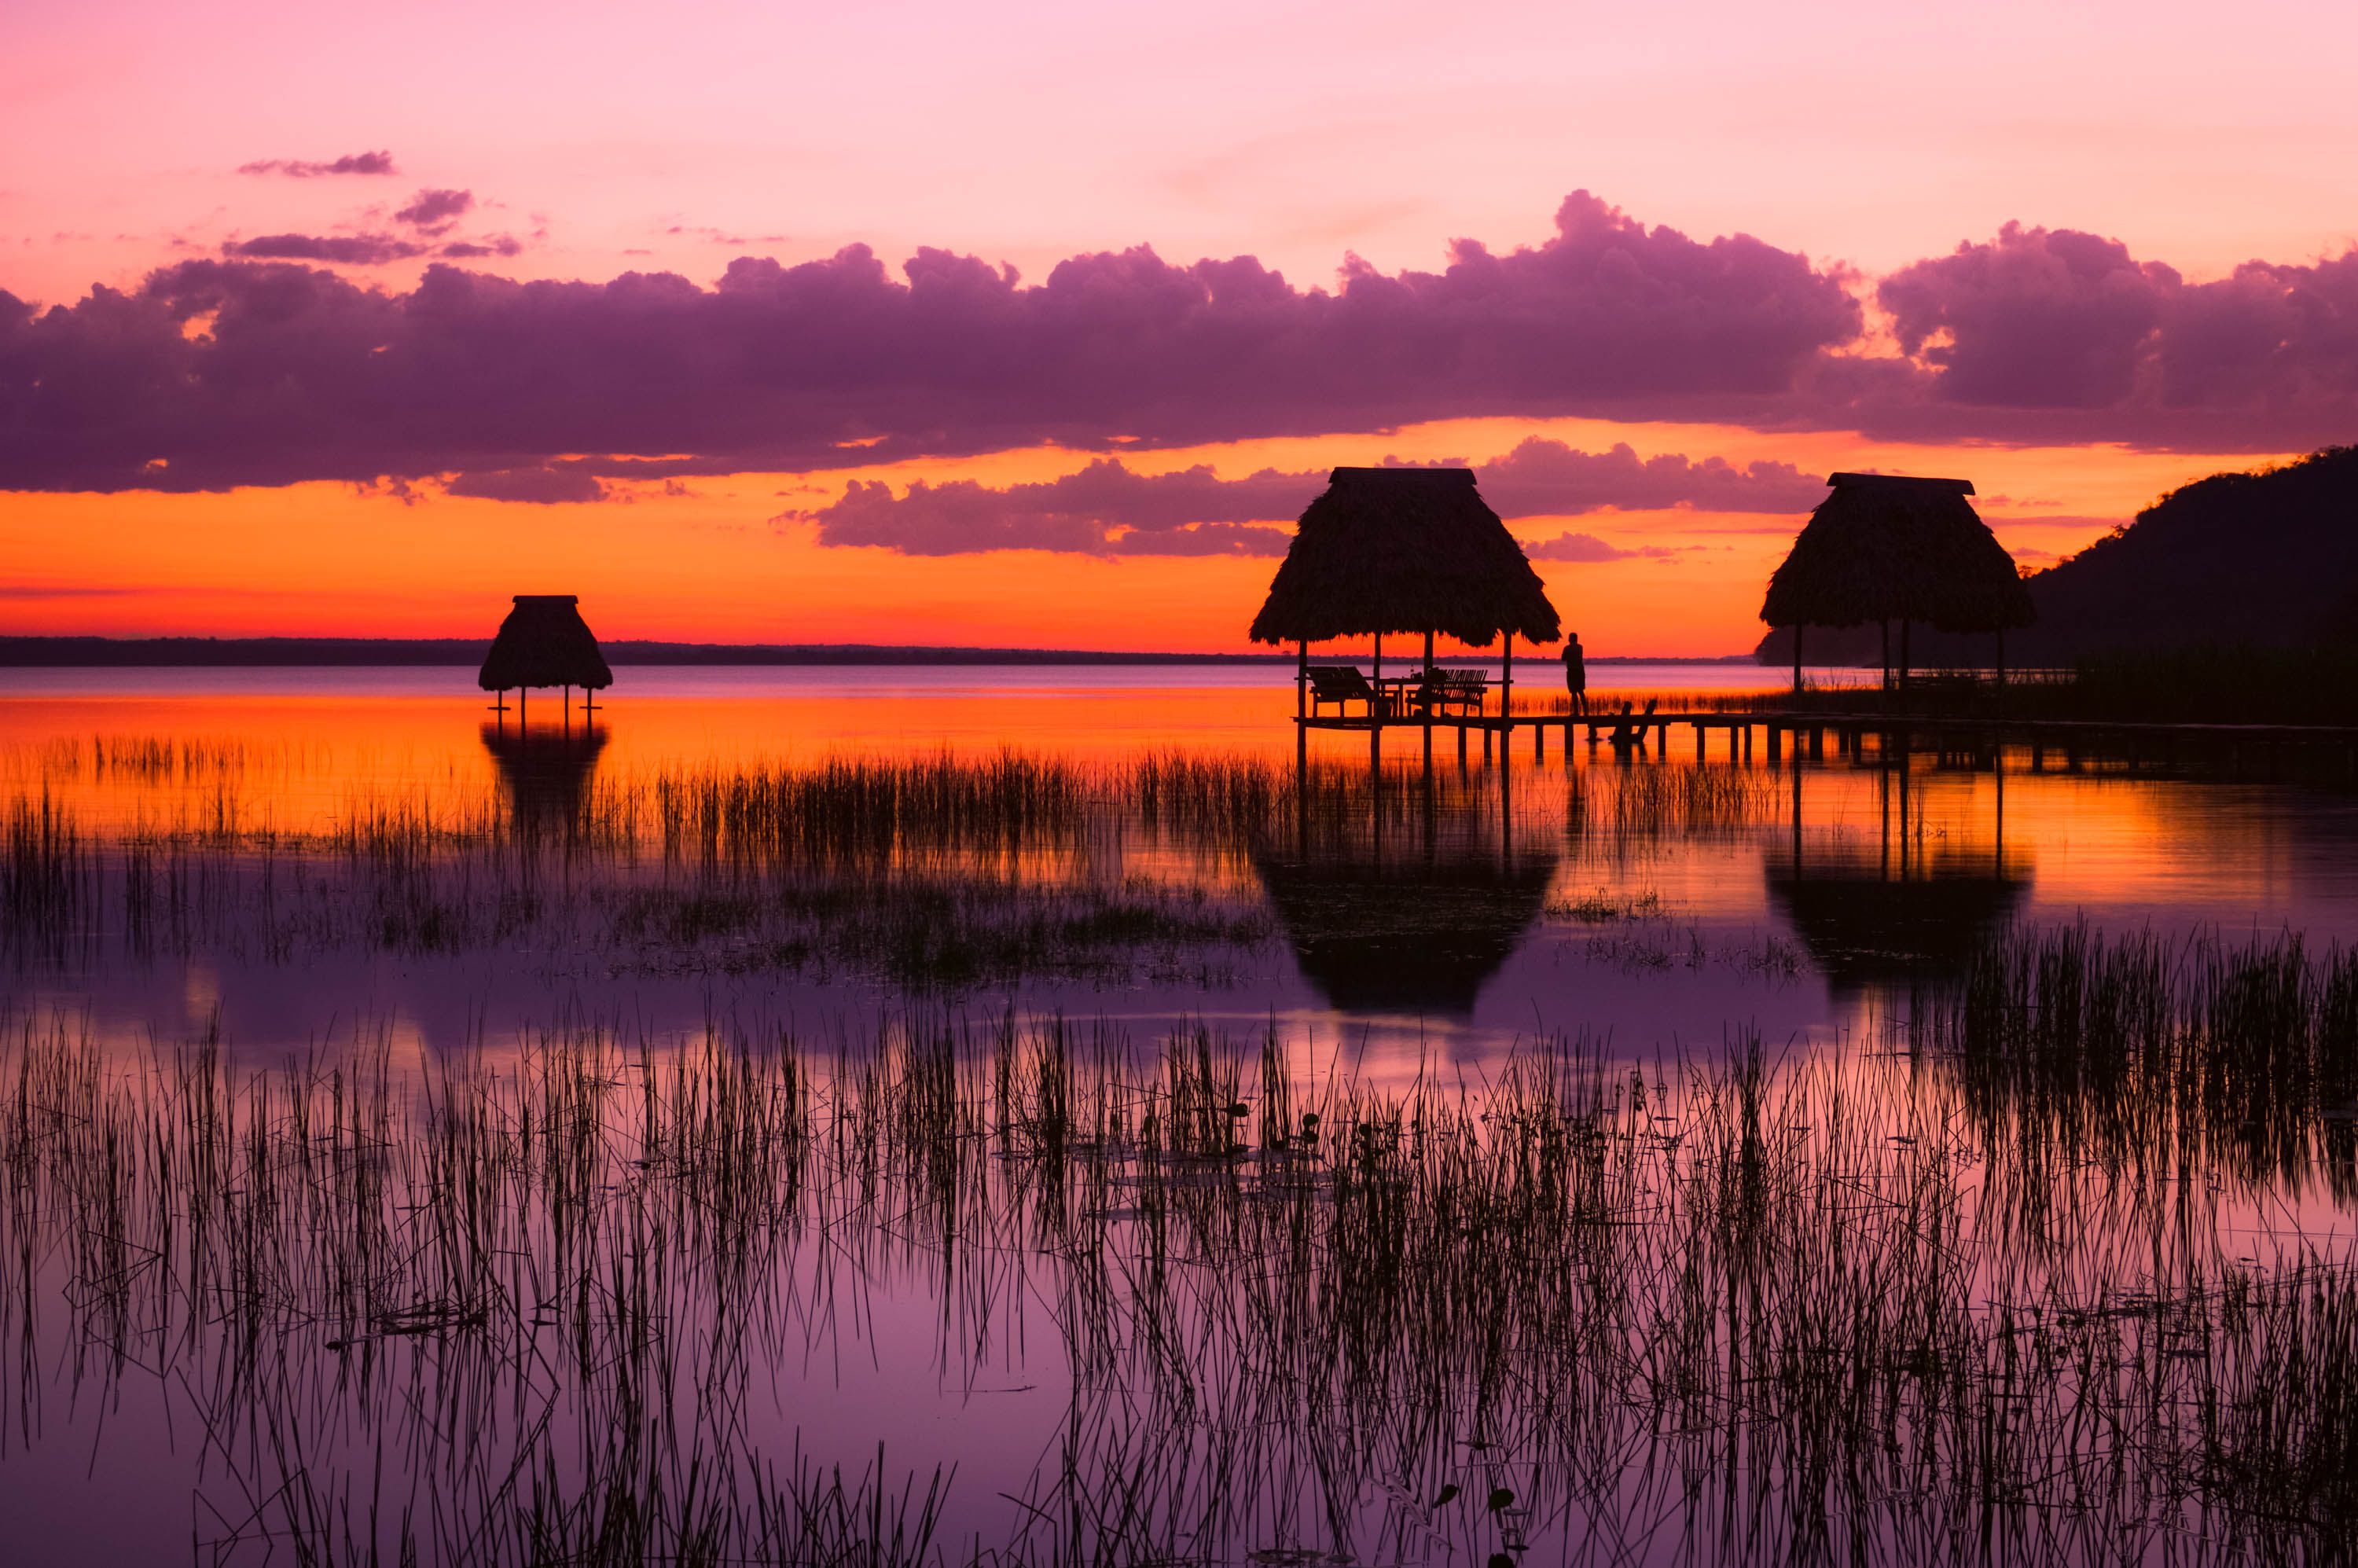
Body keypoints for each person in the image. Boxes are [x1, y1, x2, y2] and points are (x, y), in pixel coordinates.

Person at [1562, 633, 1588, 717]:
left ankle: (1576, 712)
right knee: (1581, 691)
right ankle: (1586, 712)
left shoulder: (1567, 648)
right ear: (1576, 639)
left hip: (1572, 671)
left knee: (1573, 692)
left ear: (1569, 639)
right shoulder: (1580, 647)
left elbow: (1563, 658)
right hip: (1580, 671)